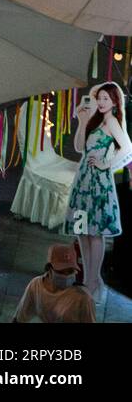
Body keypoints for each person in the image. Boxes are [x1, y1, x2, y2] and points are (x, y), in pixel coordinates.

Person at [64, 81, 128, 301]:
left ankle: (92, 280)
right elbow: (80, 147)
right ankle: (89, 280)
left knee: (95, 231)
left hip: (99, 185)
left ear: (114, 102)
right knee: (82, 230)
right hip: (83, 182)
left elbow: (128, 147)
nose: (101, 103)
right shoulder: (96, 120)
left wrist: (106, 164)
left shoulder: (111, 121)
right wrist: (82, 121)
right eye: (99, 98)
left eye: (106, 99)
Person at [13, 243, 96, 323]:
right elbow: (20, 317)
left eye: (70, 271)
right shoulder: (36, 285)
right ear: (49, 269)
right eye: (61, 271)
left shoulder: (83, 297)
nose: (66, 276)